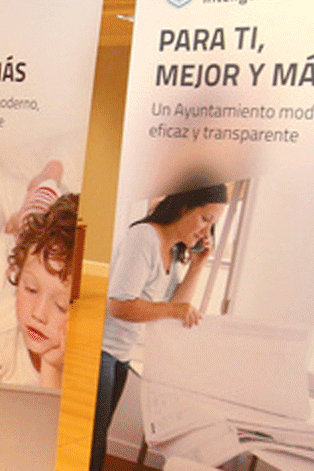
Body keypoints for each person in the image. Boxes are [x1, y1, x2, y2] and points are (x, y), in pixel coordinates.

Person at [89, 181, 228, 471]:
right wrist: (175, 309)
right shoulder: (144, 237)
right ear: (184, 207)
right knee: (93, 442)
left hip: (119, 355)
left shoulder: (173, 251)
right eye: (205, 219)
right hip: (98, 350)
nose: (206, 231)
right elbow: (120, 304)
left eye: (212, 224)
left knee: (97, 437)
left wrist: (197, 265)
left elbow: (176, 307)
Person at [0, 192, 79, 389]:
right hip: (35, 216)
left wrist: (52, 367)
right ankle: (49, 177)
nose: (38, 314)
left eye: (60, 306)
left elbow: (52, 418)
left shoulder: (85, 359)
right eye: (31, 290)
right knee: (36, 202)